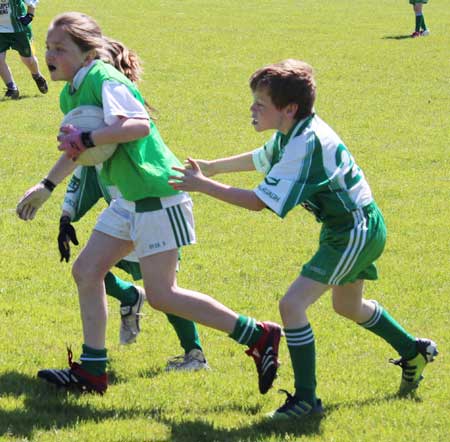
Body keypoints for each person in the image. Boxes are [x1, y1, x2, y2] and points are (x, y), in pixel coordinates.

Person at [16, 12, 281, 396]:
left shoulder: (105, 78)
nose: (51, 54)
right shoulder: (71, 91)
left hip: (157, 195)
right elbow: (80, 147)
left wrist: (89, 137)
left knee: (162, 295)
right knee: (87, 271)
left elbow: (136, 125)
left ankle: (257, 334)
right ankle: (92, 373)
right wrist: (47, 186)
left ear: (88, 54)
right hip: (129, 200)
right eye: (48, 47)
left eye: (61, 48)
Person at [168, 59, 439, 420]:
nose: (252, 108)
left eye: (260, 104)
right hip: (349, 226)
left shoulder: (305, 144)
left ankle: (306, 400)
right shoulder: (293, 133)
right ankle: (413, 350)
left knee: (292, 305)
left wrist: (203, 185)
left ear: (289, 109)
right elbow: (262, 158)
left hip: (353, 230)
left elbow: (258, 202)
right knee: (347, 307)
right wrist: (213, 166)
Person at [59, 164, 210, 370]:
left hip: (155, 218)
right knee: (88, 271)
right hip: (122, 223)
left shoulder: (132, 146)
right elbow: (82, 178)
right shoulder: (96, 155)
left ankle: (195, 354)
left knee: (165, 293)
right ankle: (130, 296)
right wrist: (65, 218)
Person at [0, 0, 48, 99]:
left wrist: (30, 15)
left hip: (19, 29)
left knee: (29, 60)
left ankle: (37, 76)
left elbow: (32, 2)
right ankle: (12, 88)